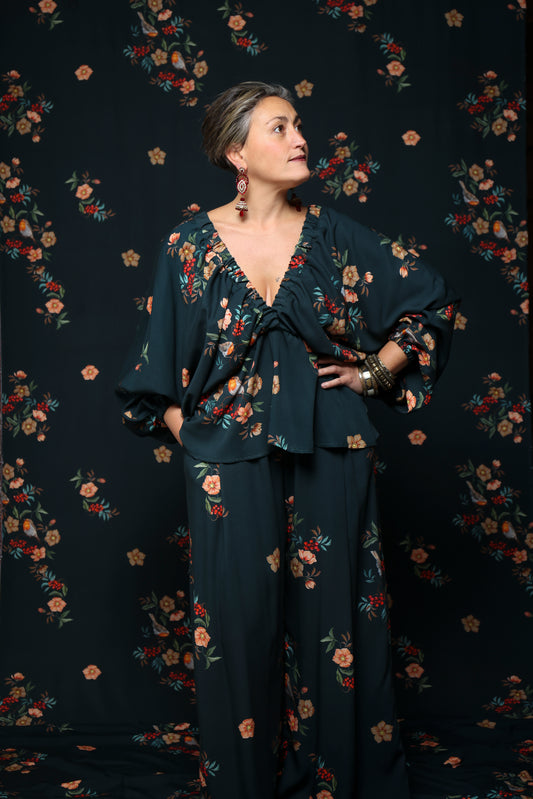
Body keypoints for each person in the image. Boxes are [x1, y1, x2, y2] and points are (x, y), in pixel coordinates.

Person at [117, 81, 458, 799]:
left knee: (336, 625)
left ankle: (334, 782)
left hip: (331, 447)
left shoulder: (335, 236)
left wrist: (372, 373)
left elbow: (429, 303)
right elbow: (155, 373)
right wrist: (192, 438)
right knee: (235, 627)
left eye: (298, 123)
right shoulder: (188, 246)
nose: (300, 138)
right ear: (236, 153)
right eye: (279, 127)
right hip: (224, 457)